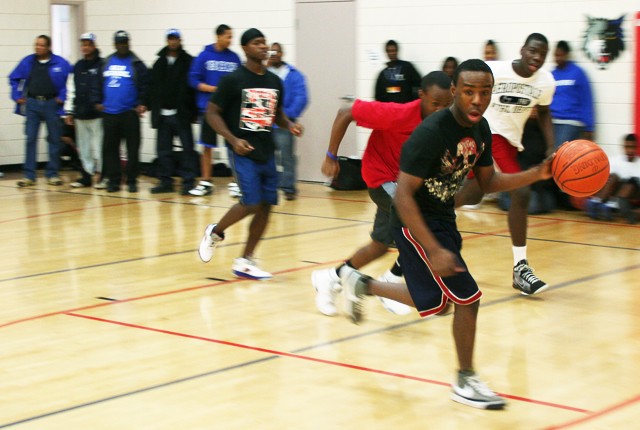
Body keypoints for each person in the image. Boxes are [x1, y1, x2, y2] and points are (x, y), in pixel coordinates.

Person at [337, 59, 553, 410]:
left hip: (442, 218)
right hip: (413, 222)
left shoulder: (480, 129)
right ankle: (465, 380)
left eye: (484, 93)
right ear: (455, 92)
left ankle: (363, 284)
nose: (477, 100)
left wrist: (536, 174)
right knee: (469, 297)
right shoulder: (431, 133)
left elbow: (489, 183)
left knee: (438, 305)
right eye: (469, 92)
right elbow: (404, 196)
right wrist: (433, 247)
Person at [312, 71, 453, 317]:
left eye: (446, 105)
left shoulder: (444, 124)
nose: (441, 110)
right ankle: (394, 284)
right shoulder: (398, 114)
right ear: (421, 96)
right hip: (381, 178)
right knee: (420, 227)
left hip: (405, 185)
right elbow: (346, 111)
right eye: (435, 104)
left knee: (379, 245)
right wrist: (331, 157)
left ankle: (330, 278)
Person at [197, 28, 303, 280]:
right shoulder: (234, 80)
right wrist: (233, 140)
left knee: (267, 206)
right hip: (242, 150)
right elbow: (212, 113)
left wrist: (290, 124)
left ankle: (245, 260)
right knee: (251, 202)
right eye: (257, 43)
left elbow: (276, 114)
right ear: (245, 48)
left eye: (264, 43)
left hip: (267, 151)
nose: (263, 47)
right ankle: (215, 231)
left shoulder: (274, 81)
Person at [455, 33, 556, 296]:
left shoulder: (545, 83)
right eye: (533, 51)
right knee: (521, 191)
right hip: (488, 134)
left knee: (471, 193)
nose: (537, 57)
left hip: (509, 142)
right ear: (522, 50)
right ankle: (520, 268)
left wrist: (551, 145)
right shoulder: (496, 71)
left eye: (542, 54)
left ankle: (421, 214)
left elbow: (544, 113)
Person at [9, 34, 71, 187]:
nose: (38, 48)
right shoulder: (28, 61)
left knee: (54, 140)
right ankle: (29, 175)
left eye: (41, 45)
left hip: (52, 104)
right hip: (33, 104)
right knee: (30, 139)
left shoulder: (60, 63)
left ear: (49, 47)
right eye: (36, 44)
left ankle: (53, 174)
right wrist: (17, 95)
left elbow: (68, 81)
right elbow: (14, 78)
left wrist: (62, 97)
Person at [188, 24, 241, 196]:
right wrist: (212, 89)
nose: (230, 40)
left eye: (231, 37)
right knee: (207, 146)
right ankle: (205, 181)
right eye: (227, 36)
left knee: (233, 144)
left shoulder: (234, 58)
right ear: (218, 36)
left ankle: (237, 182)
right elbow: (193, 79)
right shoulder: (204, 56)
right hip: (209, 109)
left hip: (230, 110)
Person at [94, 30, 149, 193]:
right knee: (110, 149)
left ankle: (132, 180)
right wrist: (97, 101)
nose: (122, 45)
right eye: (119, 42)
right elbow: (97, 83)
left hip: (129, 113)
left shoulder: (137, 63)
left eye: (125, 42)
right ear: (115, 44)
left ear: (129, 43)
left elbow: (146, 85)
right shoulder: (106, 62)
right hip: (110, 113)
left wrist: (142, 103)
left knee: (132, 149)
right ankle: (114, 181)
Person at [147, 29, 198, 195]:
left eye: (176, 39)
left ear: (180, 40)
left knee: (187, 150)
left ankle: (188, 181)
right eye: (170, 39)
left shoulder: (189, 61)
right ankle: (165, 181)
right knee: (163, 151)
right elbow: (152, 87)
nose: (173, 42)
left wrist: (193, 111)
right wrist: (146, 104)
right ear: (167, 40)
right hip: (162, 114)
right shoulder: (159, 62)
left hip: (181, 114)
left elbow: (193, 88)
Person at [267, 42, 309, 200]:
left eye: (277, 52)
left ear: (282, 53)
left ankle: (289, 187)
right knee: (267, 156)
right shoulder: (263, 72)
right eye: (272, 52)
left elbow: (302, 98)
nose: (274, 54)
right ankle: (270, 184)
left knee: (286, 156)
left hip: (285, 123)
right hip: (265, 123)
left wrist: (286, 115)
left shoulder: (294, 74)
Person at [65, 32, 104, 188]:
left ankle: (102, 175)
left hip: (97, 114)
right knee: (84, 147)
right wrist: (69, 111)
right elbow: (71, 89)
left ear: (94, 46)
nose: (85, 47)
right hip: (80, 113)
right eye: (83, 44)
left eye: (88, 44)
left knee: (99, 147)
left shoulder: (102, 64)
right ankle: (86, 175)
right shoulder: (78, 66)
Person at [586, 133, 639, 223]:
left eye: (632, 147)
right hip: (616, 196)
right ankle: (598, 202)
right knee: (613, 176)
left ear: (636, 147)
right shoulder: (615, 160)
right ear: (624, 147)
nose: (630, 150)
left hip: (632, 196)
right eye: (627, 147)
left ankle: (622, 210)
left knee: (631, 183)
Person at [550, 41, 595, 146]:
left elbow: (586, 100)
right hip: (553, 121)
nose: (558, 58)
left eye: (561, 55)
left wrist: (589, 127)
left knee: (559, 151)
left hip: (571, 122)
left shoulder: (578, 73)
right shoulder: (552, 75)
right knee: (549, 152)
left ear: (567, 55)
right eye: (556, 55)